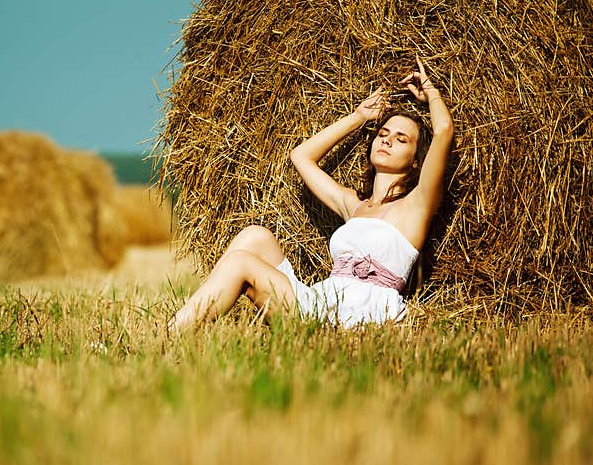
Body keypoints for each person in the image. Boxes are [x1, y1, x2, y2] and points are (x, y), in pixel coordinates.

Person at [168, 56, 454, 333]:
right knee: (255, 236)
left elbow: (443, 131)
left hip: (360, 315)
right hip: (321, 304)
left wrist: (431, 93)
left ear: (417, 160)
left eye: (401, 139)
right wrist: (359, 117)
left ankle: (171, 334)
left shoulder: (416, 205)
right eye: (383, 133)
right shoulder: (354, 206)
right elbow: (301, 156)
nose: (387, 140)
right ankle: (191, 319)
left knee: (241, 262)